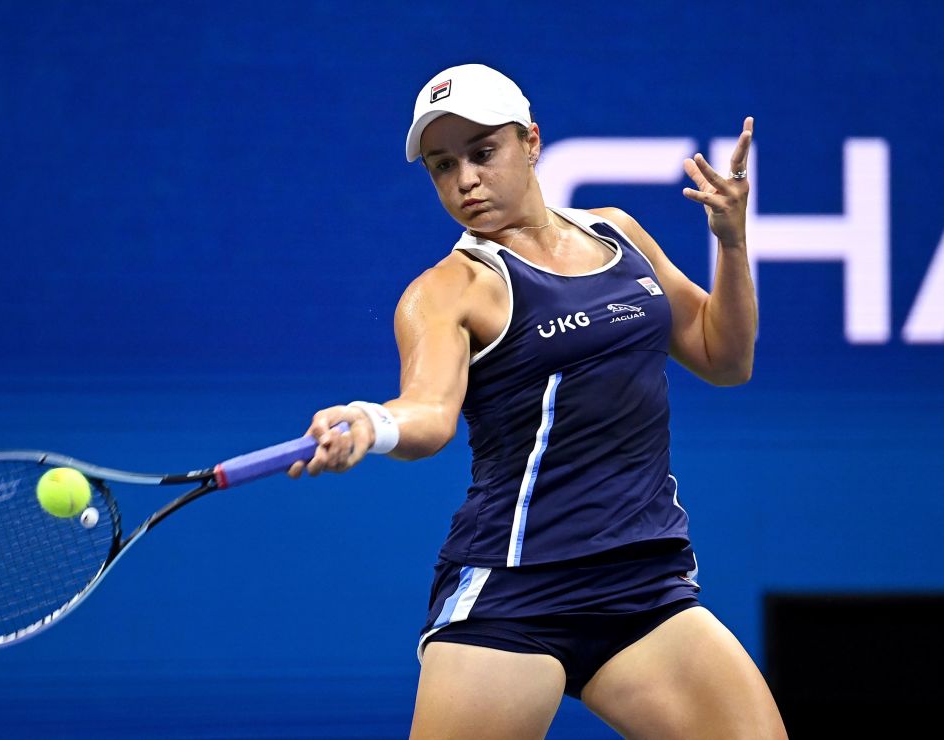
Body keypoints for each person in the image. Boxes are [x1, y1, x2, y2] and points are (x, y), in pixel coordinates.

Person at [288, 63, 786, 739]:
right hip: (515, 590)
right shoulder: (448, 289)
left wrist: (730, 241)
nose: (464, 180)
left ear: (531, 141)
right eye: (441, 165)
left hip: (644, 582)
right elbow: (429, 414)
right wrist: (371, 422)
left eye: (482, 153)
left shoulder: (619, 236)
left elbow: (724, 357)